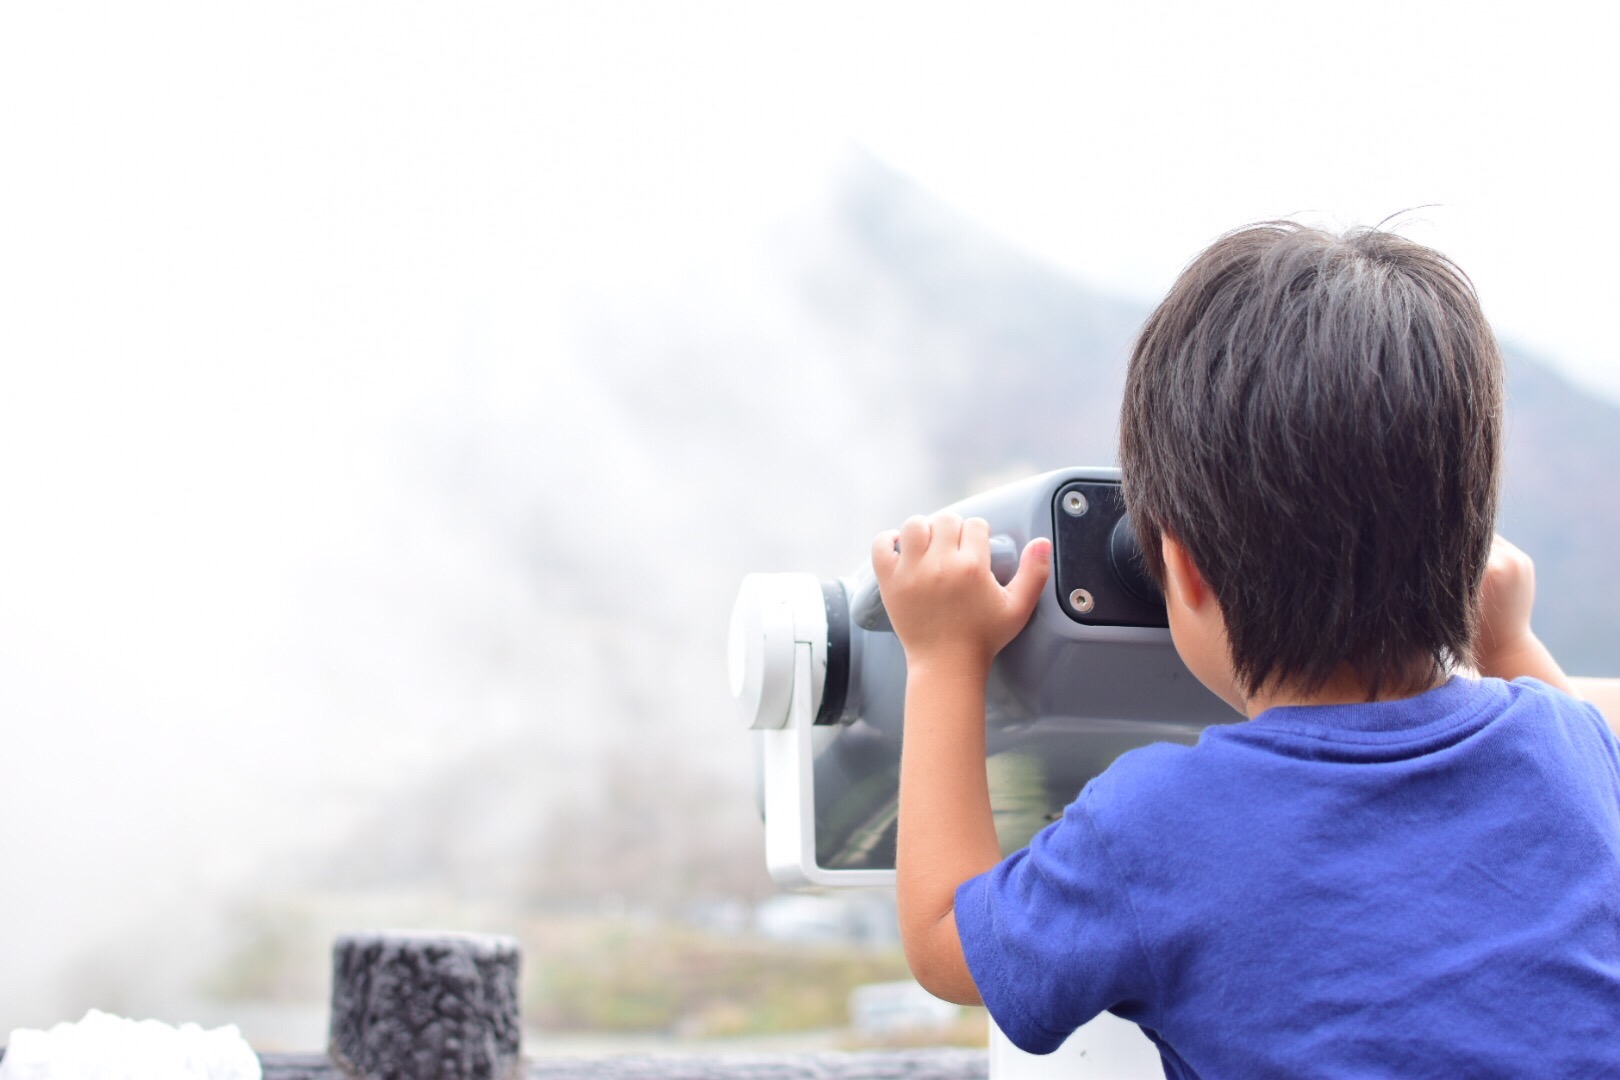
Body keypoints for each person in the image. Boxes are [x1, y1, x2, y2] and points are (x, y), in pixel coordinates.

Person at [870, 222, 1620, 1076]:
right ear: (1473, 542)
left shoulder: (1153, 833)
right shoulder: (1572, 748)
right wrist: (1510, 640)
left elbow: (946, 938)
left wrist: (943, 658)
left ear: (1183, 569)